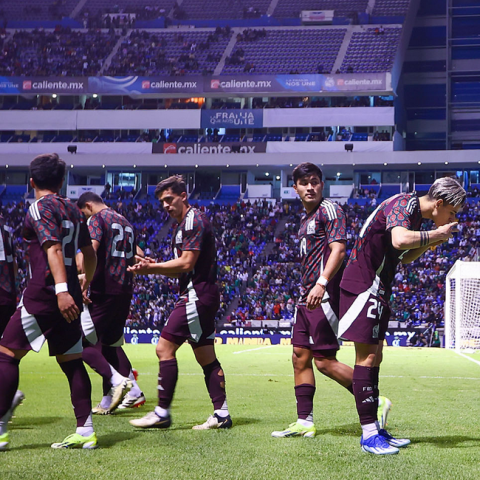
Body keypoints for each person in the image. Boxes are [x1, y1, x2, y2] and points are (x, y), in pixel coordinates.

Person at [338, 177, 466, 455]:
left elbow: (404, 256)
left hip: (378, 285)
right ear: (440, 203)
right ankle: (369, 434)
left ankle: (375, 429)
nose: (452, 218)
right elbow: (399, 239)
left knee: (376, 356)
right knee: (367, 357)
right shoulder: (404, 203)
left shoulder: (415, 216)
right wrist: (436, 234)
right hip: (364, 283)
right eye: (452, 213)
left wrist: (434, 239)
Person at [271, 162, 389, 438]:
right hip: (306, 296)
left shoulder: (330, 210)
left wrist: (322, 284)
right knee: (299, 357)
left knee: (323, 360)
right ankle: (304, 421)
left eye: (314, 181)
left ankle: (376, 400)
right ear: (295, 188)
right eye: (304, 183)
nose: (310, 187)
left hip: (323, 295)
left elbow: (339, 249)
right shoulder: (305, 219)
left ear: (322, 185)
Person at [0, 153, 97, 450]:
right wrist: (84, 281)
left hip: (46, 292)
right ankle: (86, 430)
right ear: (62, 180)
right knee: (72, 361)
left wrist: (61, 290)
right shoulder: (74, 209)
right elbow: (90, 254)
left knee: (5, 354)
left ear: (31, 182)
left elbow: (53, 248)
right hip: (67, 293)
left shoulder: (38, 207)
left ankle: (0, 431)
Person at [129, 175, 232, 430]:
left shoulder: (192, 220)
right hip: (202, 294)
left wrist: (152, 270)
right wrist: (154, 265)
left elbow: (187, 263)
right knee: (206, 357)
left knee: (163, 349)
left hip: (196, 295)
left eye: (169, 199)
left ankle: (162, 412)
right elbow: (180, 269)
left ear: (183, 196)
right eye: (162, 201)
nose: (165, 205)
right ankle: (221, 414)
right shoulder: (182, 226)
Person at [77, 192, 145, 414]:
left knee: (83, 343)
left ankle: (127, 386)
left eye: (83, 214)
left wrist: (83, 281)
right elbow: (140, 253)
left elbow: (91, 251)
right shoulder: (124, 221)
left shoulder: (96, 219)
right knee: (110, 345)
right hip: (124, 290)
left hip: (104, 289)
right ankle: (111, 399)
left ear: (88, 206)